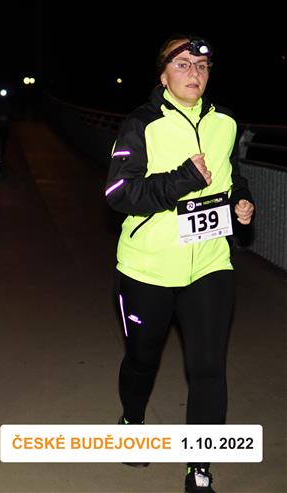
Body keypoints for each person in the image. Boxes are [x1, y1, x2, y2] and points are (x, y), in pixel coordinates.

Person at [105, 35, 254, 493]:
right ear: (163, 75)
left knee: (208, 367)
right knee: (142, 359)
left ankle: (199, 467)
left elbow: (232, 175)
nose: (195, 73)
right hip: (147, 268)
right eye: (183, 64)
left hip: (210, 262)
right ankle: (132, 423)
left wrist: (241, 199)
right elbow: (118, 193)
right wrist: (183, 179)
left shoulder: (226, 122)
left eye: (202, 66)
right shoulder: (141, 123)